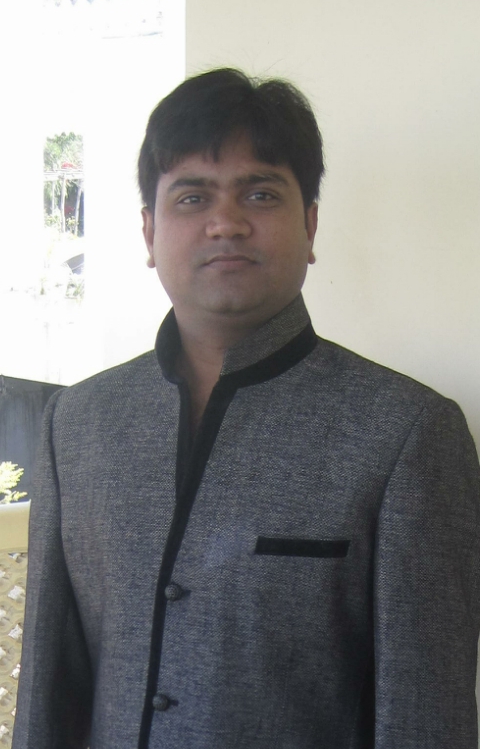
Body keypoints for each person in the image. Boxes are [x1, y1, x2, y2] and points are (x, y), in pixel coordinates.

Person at [13, 68, 480, 749]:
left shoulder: (406, 434)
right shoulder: (77, 423)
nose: (226, 223)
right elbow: (48, 695)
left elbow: (426, 719)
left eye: (260, 194)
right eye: (192, 197)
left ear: (310, 224)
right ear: (148, 231)